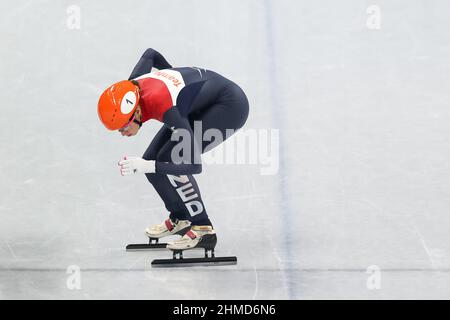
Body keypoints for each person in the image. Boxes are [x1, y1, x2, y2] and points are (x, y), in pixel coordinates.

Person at [97, 48, 249, 251]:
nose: (122, 133)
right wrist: (174, 81)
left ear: (137, 112)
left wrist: (150, 165)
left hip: (229, 106)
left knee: (169, 161)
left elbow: (193, 165)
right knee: (153, 160)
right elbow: (150, 54)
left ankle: (203, 228)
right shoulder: (132, 84)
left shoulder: (166, 108)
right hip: (195, 104)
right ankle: (182, 218)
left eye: (123, 126)